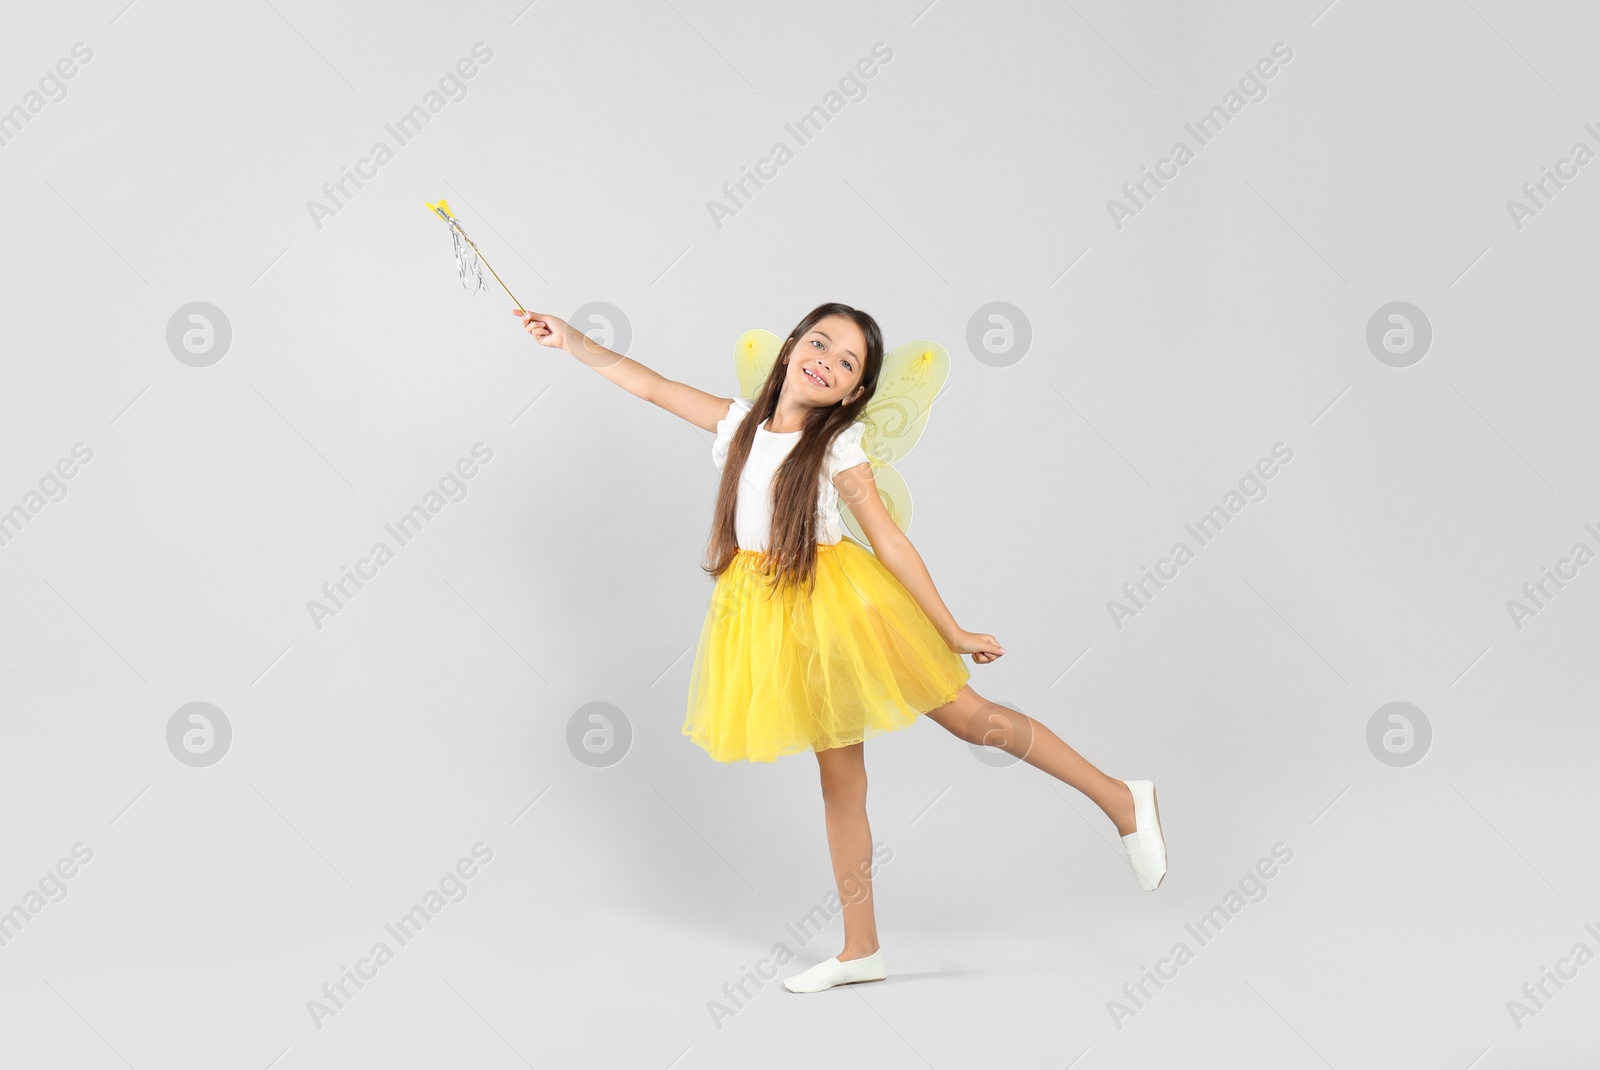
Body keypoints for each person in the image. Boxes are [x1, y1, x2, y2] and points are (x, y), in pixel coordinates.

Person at [513, 302, 1167, 994]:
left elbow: (887, 539)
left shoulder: (836, 446)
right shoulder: (739, 425)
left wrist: (949, 629)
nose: (825, 358)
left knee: (976, 721)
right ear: (792, 346)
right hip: (775, 615)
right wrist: (572, 341)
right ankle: (862, 948)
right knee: (840, 782)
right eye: (819, 342)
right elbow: (648, 384)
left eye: (847, 361)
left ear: (853, 394)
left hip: (844, 608)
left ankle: (1121, 798)